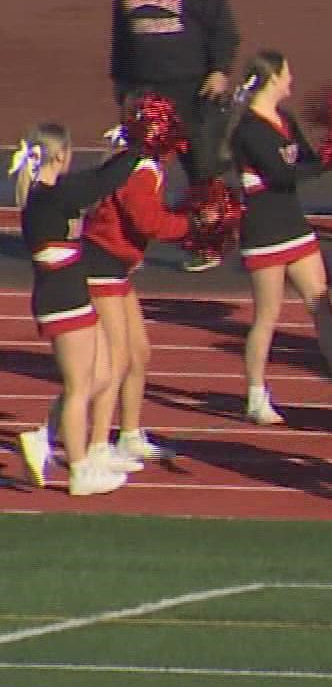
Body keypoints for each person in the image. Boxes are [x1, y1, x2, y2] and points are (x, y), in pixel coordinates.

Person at [220, 51, 332, 425]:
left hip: (294, 225)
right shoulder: (248, 131)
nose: (292, 79)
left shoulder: (285, 119)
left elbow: (307, 163)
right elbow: (282, 174)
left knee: (321, 301)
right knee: (267, 315)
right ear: (273, 78)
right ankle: (255, 394)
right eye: (287, 72)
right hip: (264, 232)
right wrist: (325, 161)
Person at [110, 0, 239, 272]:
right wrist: (120, 81)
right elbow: (120, 33)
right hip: (145, 87)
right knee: (138, 169)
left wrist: (219, 69)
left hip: (192, 86)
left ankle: (207, 242)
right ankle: (129, 245)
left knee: (203, 167)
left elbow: (223, 27)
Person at [14, 125, 140, 495]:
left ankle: (43, 438)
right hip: (60, 300)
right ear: (60, 156)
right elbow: (103, 181)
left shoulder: (50, 194)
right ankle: (79, 472)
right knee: (79, 387)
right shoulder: (50, 196)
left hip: (72, 292)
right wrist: (141, 148)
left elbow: (101, 178)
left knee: (100, 376)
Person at [80, 97, 197, 465]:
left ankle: (128, 435)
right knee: (115, 358)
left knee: (138, 352)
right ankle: (96, 447)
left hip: (117, 267)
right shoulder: (141, 170)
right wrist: (194, 225)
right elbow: (149, 223)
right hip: (101, 266)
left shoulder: (141, 165)